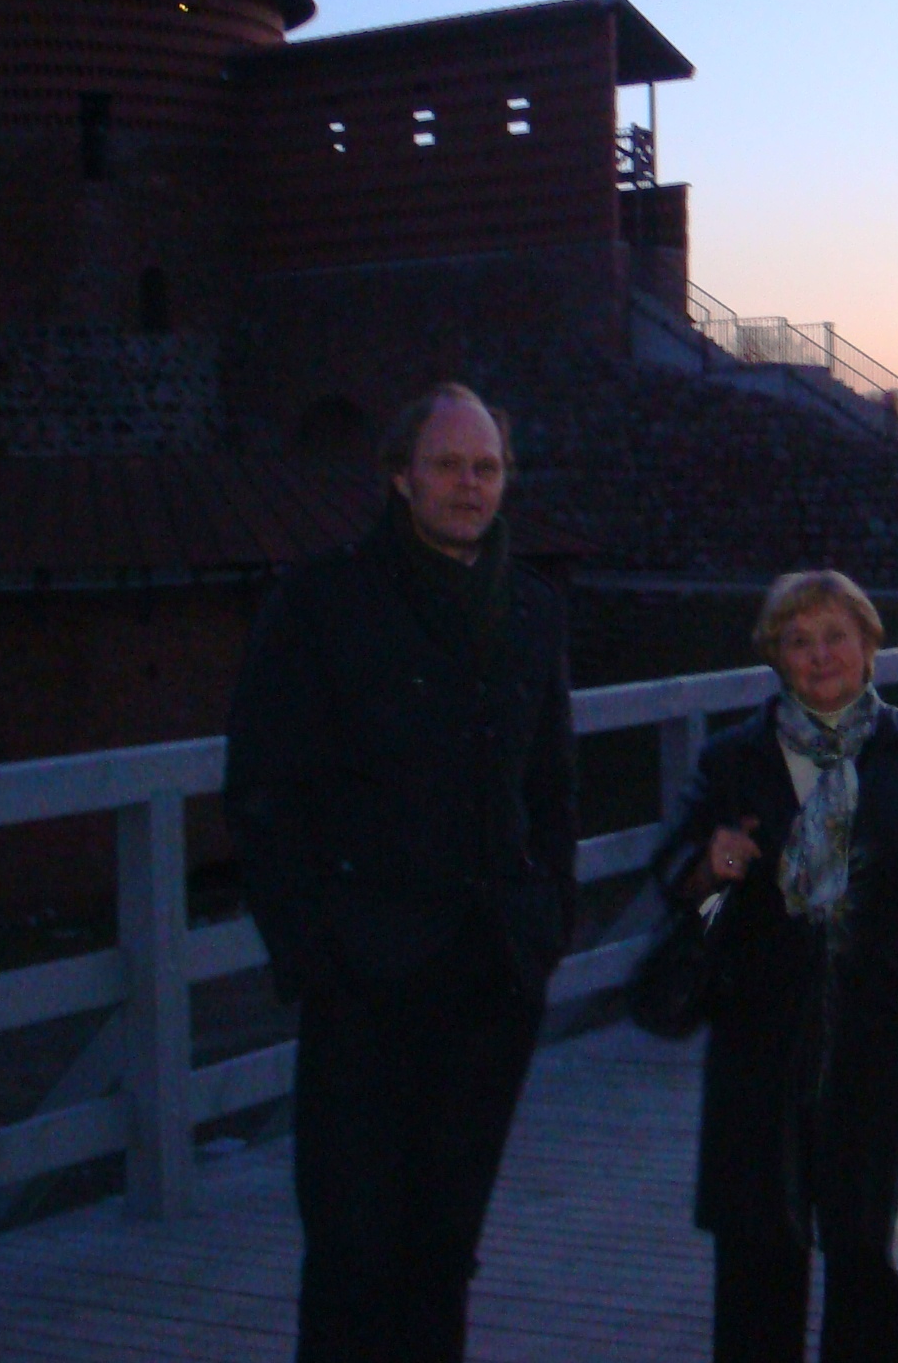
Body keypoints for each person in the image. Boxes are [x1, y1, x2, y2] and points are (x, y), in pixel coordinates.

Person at [224, 382, 577, 1363]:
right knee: (351, 1253)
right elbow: (263, 788)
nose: (470, 487)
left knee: (443, 1251)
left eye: (487, 468)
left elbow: (551, 787)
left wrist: (546, 926)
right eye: (450, 466)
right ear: (399, 476)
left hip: (489, 976)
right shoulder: (323, 602)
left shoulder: (533, 610)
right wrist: (314, 954)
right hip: (367, 981)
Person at [650, 569, 898, 1363]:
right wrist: (707, 867)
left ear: (869, 646)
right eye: (799, 641)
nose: (821, 654)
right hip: (762, 1055)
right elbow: (675, 885)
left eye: (837, 636)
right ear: (776, 657)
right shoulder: (735, 757)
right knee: (756, 1283)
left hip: (886, 1052)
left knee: (871, 1283)